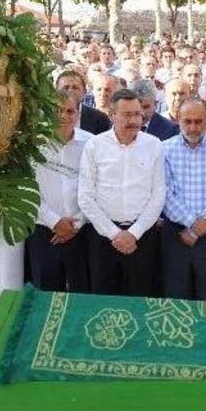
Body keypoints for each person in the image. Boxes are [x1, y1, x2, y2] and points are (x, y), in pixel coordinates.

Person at [78, 89, 166, 296]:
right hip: (103, 237)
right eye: (127, 115)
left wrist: (134, 234)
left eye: (137, 114)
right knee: (104, 302)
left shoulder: (153, 145)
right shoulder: (95, 146)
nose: (133, 120)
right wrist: (115, 234)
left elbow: (158, 195)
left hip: (142, 238)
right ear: (111, 115)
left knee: (140, 299)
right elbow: (85, 197)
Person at [162, 100, 206, 301]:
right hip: (176, 233)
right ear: (178, 119)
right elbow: (165, 193)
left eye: (199, 121)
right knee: (177, 298)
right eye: (188, 121)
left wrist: (199, 227)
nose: (193, 128)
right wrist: (192, 223)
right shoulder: (164, 149)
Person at [27, 91, 91, 293]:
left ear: (78, 114)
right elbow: (28, 189)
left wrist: (76, 224)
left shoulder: (91, 144)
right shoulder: (33, 144)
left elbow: (95, 188)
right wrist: (55, 221)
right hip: (44, 231)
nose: (64, 115)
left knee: (81, 294)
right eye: (58, 110)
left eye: (70, 111)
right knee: (46, 295)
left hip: (80, 231)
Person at [56, 70, 111, 135]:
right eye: (66, 87)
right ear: (56, 91)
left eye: (75, 88)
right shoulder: (47, 115)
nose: (70, 91)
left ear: (84, 92)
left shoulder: (100, 119)